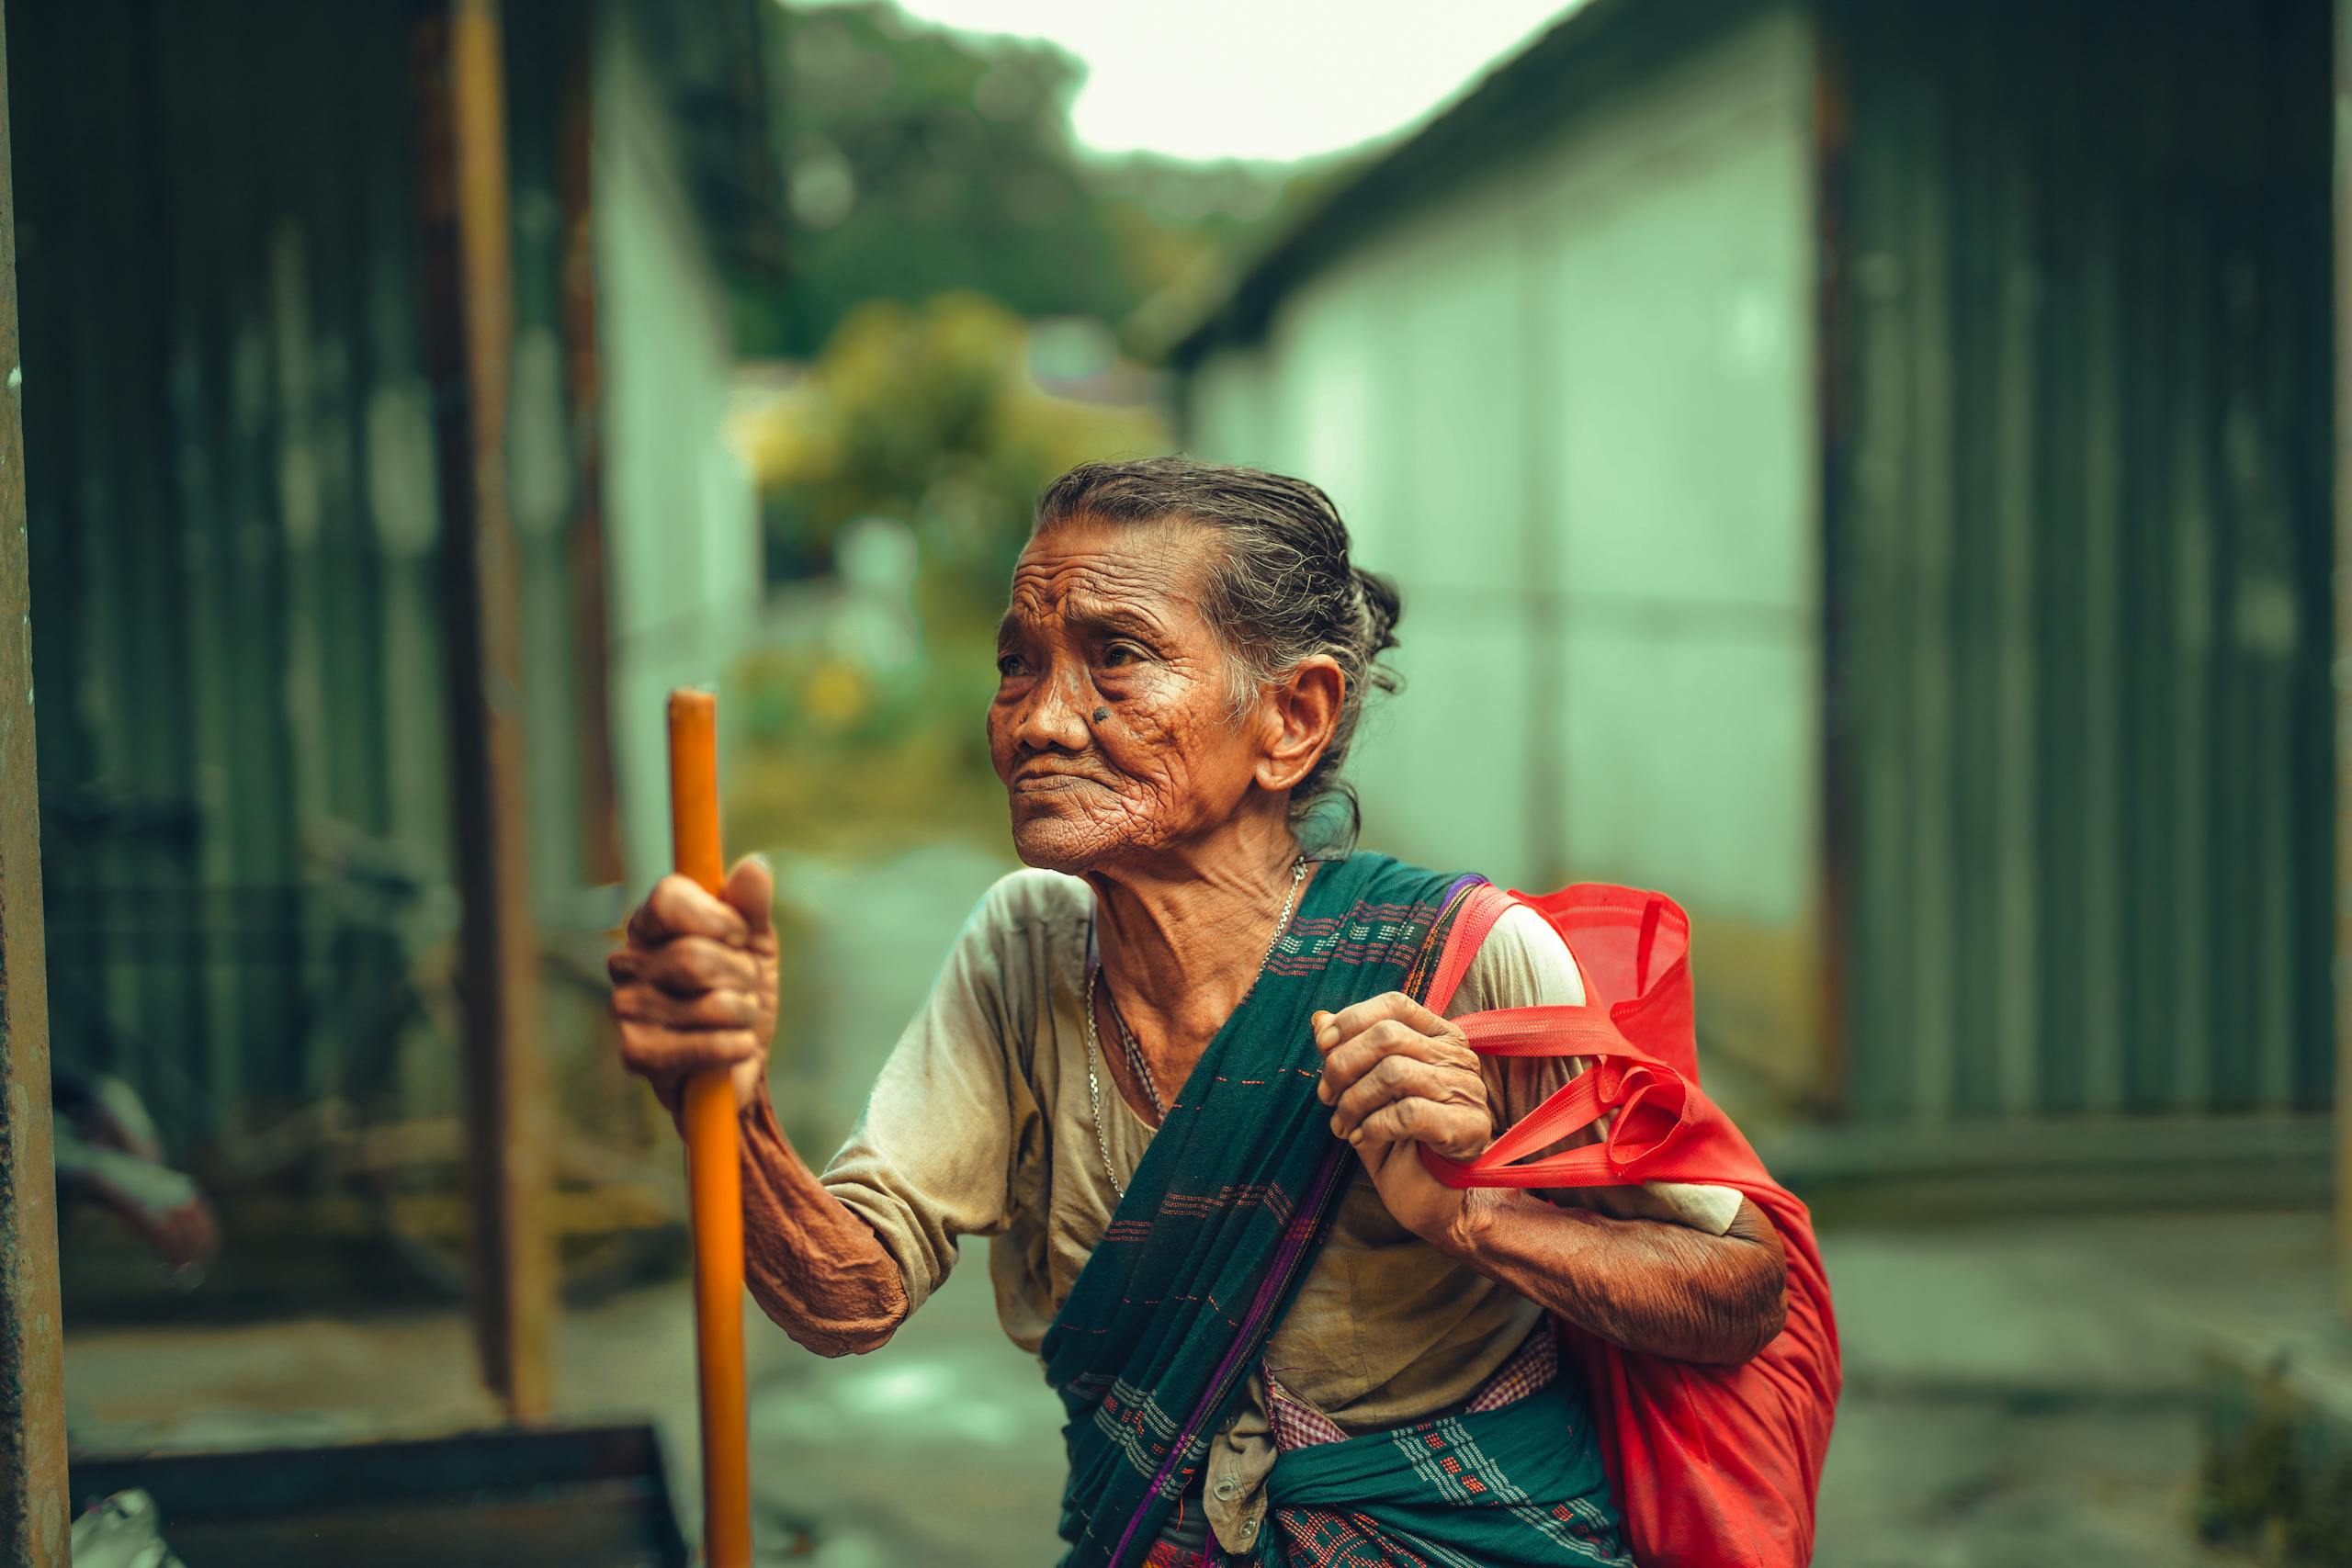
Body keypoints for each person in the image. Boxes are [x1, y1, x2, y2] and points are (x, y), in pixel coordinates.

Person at [609, 457, 1788, 1567]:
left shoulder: (1463, 959)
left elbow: (1738, 1294)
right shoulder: (1024, 953)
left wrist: (1475, 1221)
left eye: (1116, 658)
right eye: (1018, 664)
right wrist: (726, 1095)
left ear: (1292, 720)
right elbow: (845, 1296)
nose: (1038, 722)